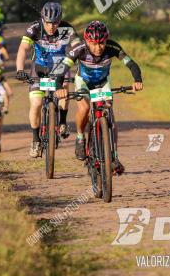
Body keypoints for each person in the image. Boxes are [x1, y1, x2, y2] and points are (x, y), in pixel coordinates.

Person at [55, 21, 143, 175]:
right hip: (83, 82)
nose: (98, 47)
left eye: (101, 43)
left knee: (110, 115)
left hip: (103, 83)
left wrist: (137, 80)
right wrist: (58, 88)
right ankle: (81, 138)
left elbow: (131, 64)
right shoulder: (79, 50)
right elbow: (62, 68)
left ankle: (114, 156)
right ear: (86, 40)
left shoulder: (112, 47)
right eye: (93, 43)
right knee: (84, 107)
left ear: (106, 40)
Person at [15, 1, 79, 158]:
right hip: (39, 68)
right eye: (48, 22)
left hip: (60, 66)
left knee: (64, 89)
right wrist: (19, 69)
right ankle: (36, 140)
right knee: (36, 103)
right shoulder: (35, 28)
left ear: (60, 20)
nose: (51, 26)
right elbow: (23, 48)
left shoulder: (67, 29)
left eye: (55, 22)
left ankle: (62, 122)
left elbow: (78, 47)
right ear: (42, 19)